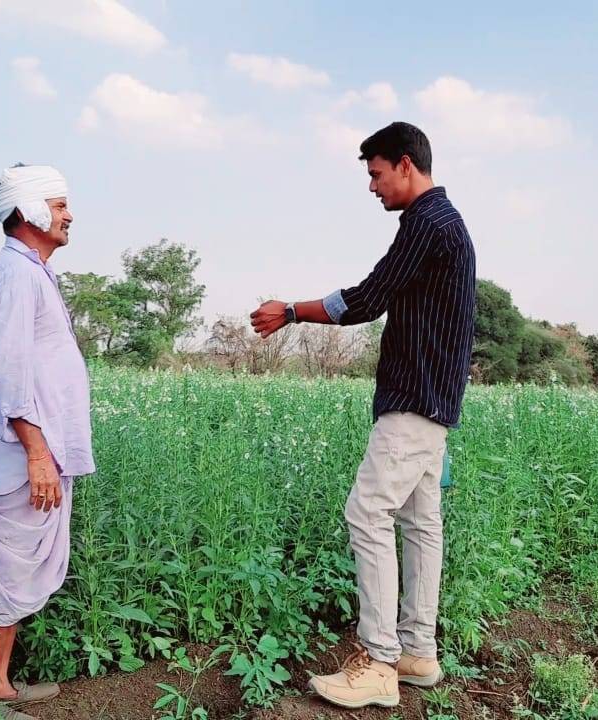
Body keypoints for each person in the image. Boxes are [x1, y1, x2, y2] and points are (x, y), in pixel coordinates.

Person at [250, 122, 477, 709]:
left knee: (367, 513)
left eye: (376, 174)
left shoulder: (428, 222)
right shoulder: (446, 224)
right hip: (434, 403)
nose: (372, 187)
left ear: (405, 164)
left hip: (412, 402)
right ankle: (417, 653)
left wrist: (292, 311)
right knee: (420, 523)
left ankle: (378, 661)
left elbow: (369, 297)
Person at [0, 163, 94, 719]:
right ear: (28, 212)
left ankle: (1, 683)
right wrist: (36, 452)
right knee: (8, 573)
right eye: (58, 205)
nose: (68, 214)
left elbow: (8, 364)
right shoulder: (17, 274)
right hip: (25, 455)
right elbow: (10, 368)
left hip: (33, 447)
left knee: (21, 569)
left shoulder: (29, 272)